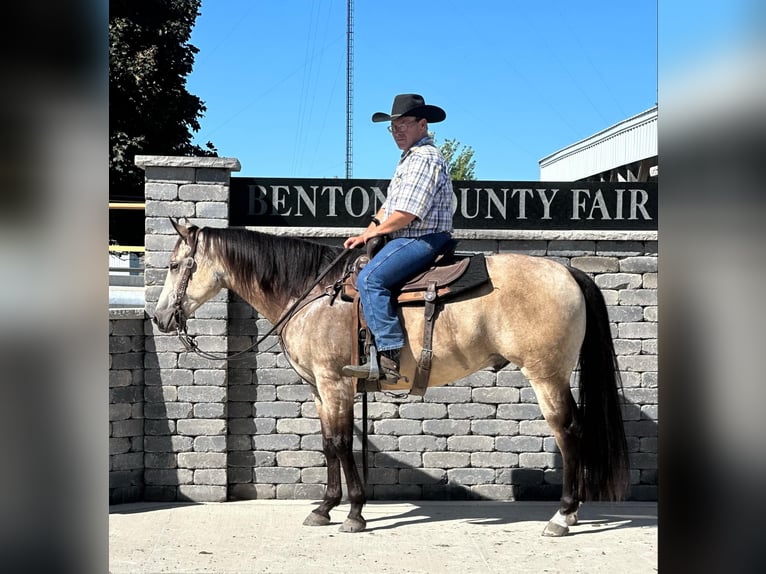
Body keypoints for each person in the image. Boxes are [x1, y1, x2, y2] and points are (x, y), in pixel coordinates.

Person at [342, 94, 455, 382]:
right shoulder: (408, 159)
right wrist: (370, 229)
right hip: (411, 237)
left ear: (423, 124)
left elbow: (407, 213)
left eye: (404, 124)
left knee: (370, 279)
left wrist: (376, 232)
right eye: (393, 126)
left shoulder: (425, 158)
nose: (398, 131)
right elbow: (390, 206)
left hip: (424, 238)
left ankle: (388, 356)